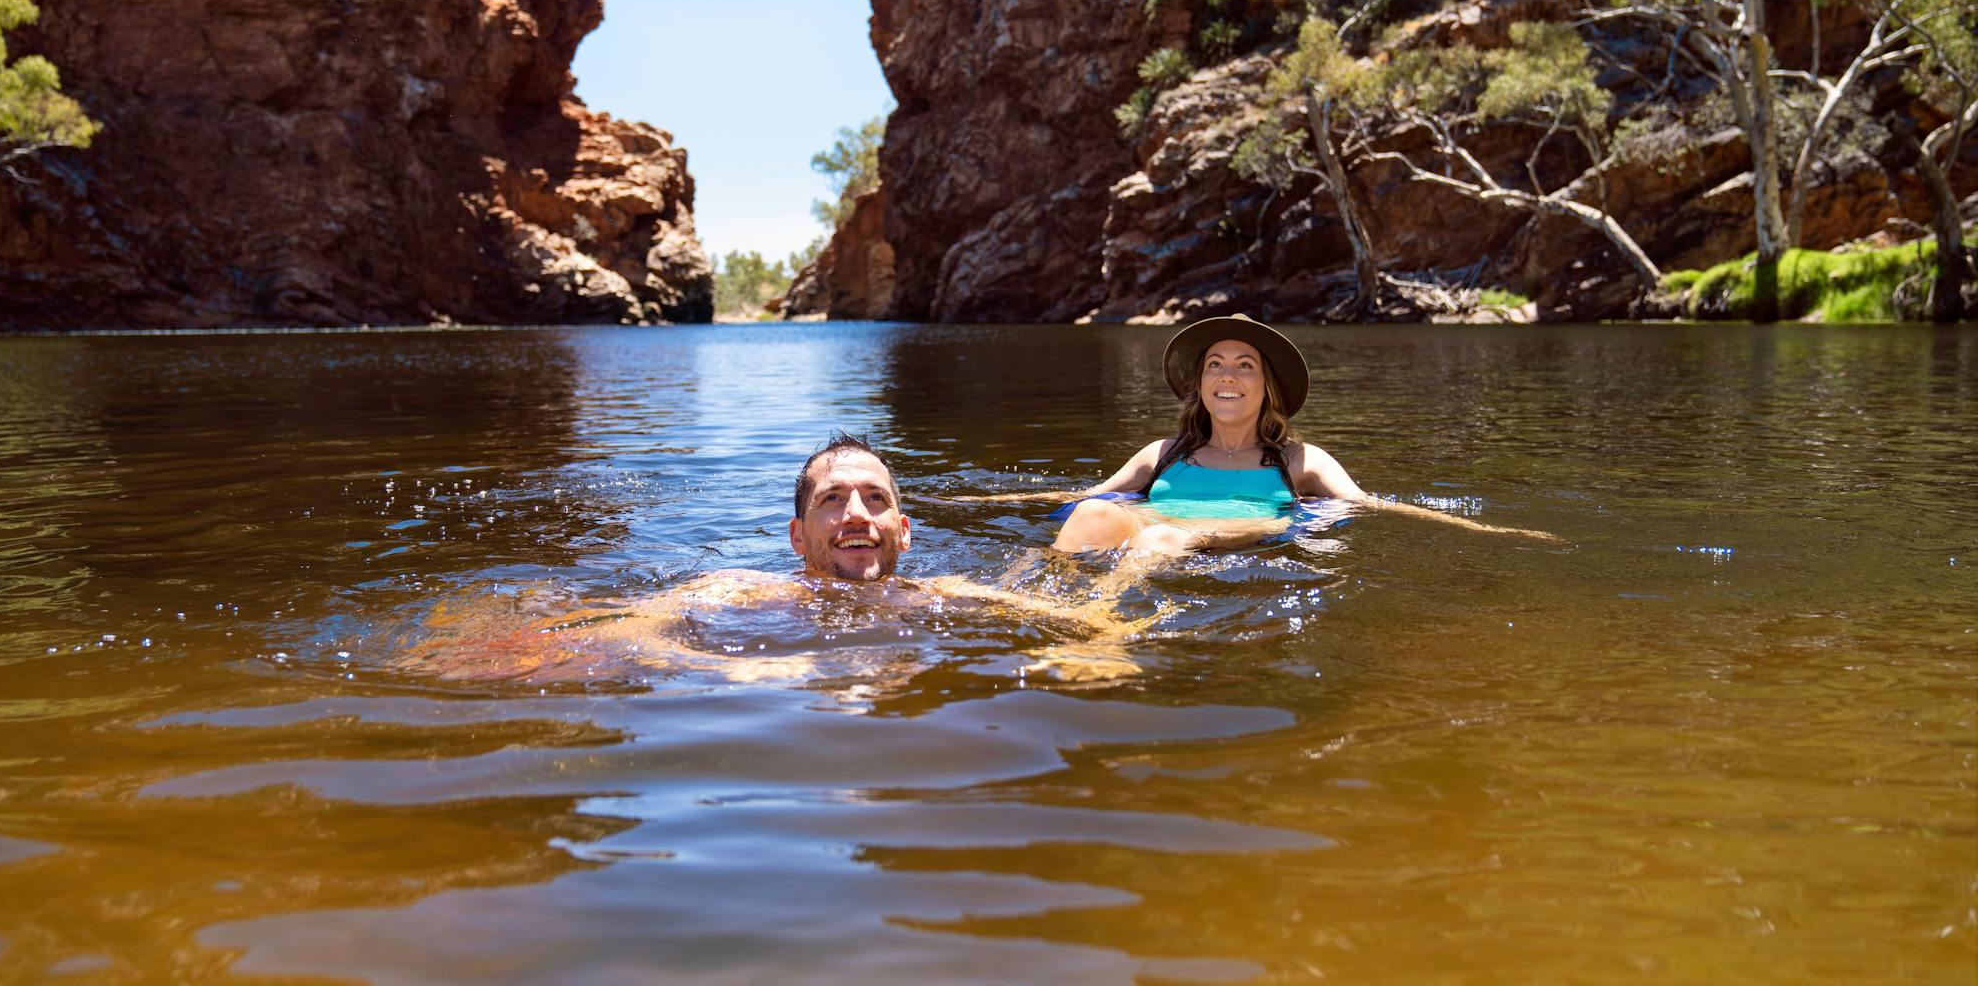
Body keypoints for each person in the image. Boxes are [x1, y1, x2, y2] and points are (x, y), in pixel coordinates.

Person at [404, 433, 1161, 685]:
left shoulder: (949, 592)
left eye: (872, 500)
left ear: (906, 529)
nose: (855, 515)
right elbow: (629, 629)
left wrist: (1103, 647)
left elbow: (1083, 618)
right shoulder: (739, 592)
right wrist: (733, 669)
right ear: (798, 538)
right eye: (832, 501)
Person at [972, 314, 1559, 553]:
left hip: (1232, 543)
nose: (1228, 376)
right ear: (1200, 384)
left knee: (1159, 541)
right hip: (1156, 539)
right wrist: (972, 503)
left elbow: (1370, 506)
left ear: (1266, 386)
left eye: (1244, 364)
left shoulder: (1299, 461)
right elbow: (1084, 495)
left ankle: (1107, 634)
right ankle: (1036, 607)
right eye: (1215, 365)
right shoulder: (1163, 453)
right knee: (1088, 520)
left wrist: (1486, 528)